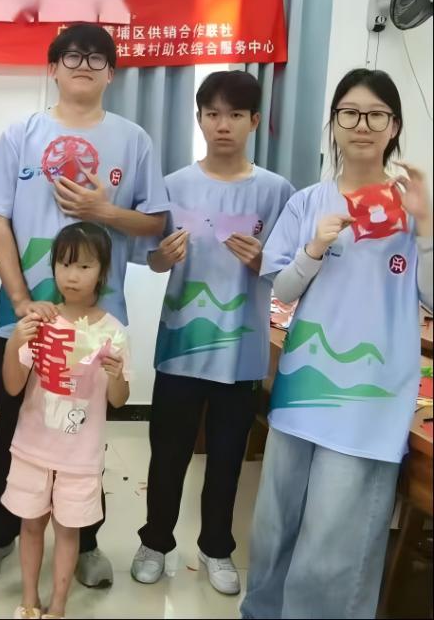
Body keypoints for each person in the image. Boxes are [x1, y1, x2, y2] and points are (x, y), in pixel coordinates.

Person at [0, 23, 168, 586]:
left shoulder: (134, 139)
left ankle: (84, 542)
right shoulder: (21, 134)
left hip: (97, 324)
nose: (84, 64)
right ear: (53, 67)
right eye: (72, 56)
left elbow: (154, 223)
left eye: (97, 57)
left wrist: (104, 212)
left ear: (112, 73)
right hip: (25, 315)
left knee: (85, 431)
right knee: (12, 425)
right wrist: (20, 300)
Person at [241, 69, 433, 619]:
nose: (362, 124)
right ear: (334, 123)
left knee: (334, 546)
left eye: (376, 114)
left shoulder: (413, 208)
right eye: (350, 112)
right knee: (275, 527)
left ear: (394, 126)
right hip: (302, 390)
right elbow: (282, 288)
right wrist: (315, 248)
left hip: (368, 403)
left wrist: (425, 226)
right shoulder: (308, 202)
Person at [129, 71, 295, 595]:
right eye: (213, 114)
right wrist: (163, 256)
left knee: (226, 459)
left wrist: (262, 260)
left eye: (235, 115)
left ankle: (216, 547)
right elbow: (152, 261)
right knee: (168, 453)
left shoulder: (275, 191)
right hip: (180, 348)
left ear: (254, 121)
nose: (223, 125)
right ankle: (155, 541)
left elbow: (289, 272)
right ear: (199, 119)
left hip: (241, 352)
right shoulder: (174, 185)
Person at [2, 223, 131, 618]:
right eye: (64, 264)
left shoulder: (113, 332)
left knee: (68, 530)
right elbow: (12, 386)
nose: (72, 275)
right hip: (33, 447)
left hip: (80, 454)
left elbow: (119, 400)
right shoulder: (41, 322)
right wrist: (15, 342)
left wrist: (115, 375)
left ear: (103, 272)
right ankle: (29, 600)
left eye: (85, 266)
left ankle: (57, 606)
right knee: (30, 525)